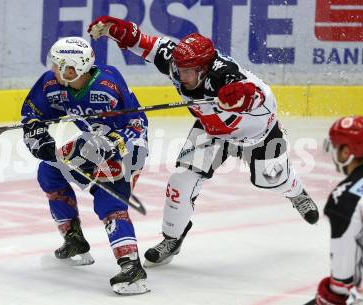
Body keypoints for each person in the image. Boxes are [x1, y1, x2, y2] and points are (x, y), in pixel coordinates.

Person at [87, 16, 319, 267]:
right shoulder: (177, 61)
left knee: (272, 179)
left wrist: (243, 97)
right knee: (180, 180)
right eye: (178, 67)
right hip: (211, 131)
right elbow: (144, 43)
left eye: (187, 70)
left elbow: (258, 94)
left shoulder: (225, 75)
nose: (179, 74)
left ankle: (296, 193)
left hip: (257, 134)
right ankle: (172, 238)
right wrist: (118, 32)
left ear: (204, 68)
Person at [21, 36, 150, 295]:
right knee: (50, 170)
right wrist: (38, 136)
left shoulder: (108, 82)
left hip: (126, 150)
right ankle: (74, 239)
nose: (54, 69)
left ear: (75, 68)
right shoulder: (52, 84)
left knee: (108, 201)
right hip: (89, 143)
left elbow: (138, 126)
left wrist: (112, 144)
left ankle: (131, 266)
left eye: (60, 65)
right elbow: (32, 114)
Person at [314, 116, 363, 305]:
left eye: (336, 147)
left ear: (346, 152)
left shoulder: (345, 197)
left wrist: (329, 296)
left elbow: (342, 283)